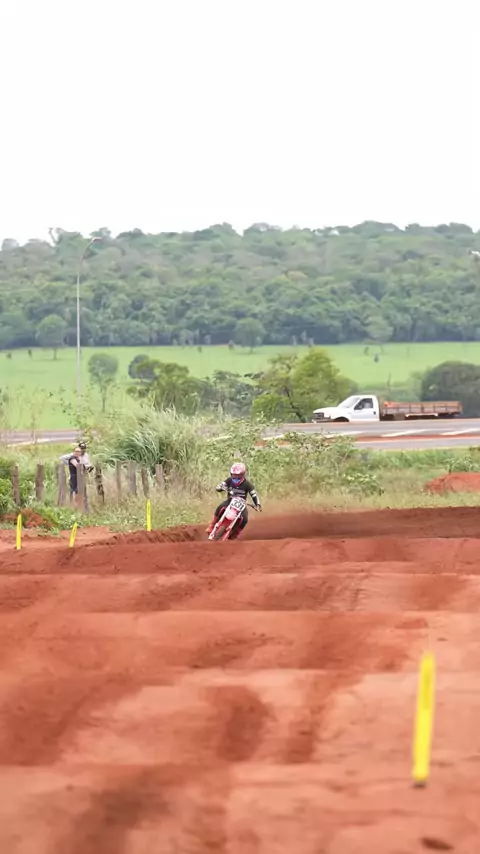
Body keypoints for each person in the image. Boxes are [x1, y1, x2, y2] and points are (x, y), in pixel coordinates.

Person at [206, 462, 261, 539]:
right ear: (231, 474)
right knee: (220, 507)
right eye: (234, 475)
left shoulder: (247, 484)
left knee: (245, 519)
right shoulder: (229, 480)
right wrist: (220, 487)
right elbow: (221, 485)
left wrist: (257, 504)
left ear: (243, 475)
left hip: (241, 505)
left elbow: (254, 494)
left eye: (238, 475)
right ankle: (212, 525)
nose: (236, 477)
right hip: (230, 501)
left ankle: (236, 534)